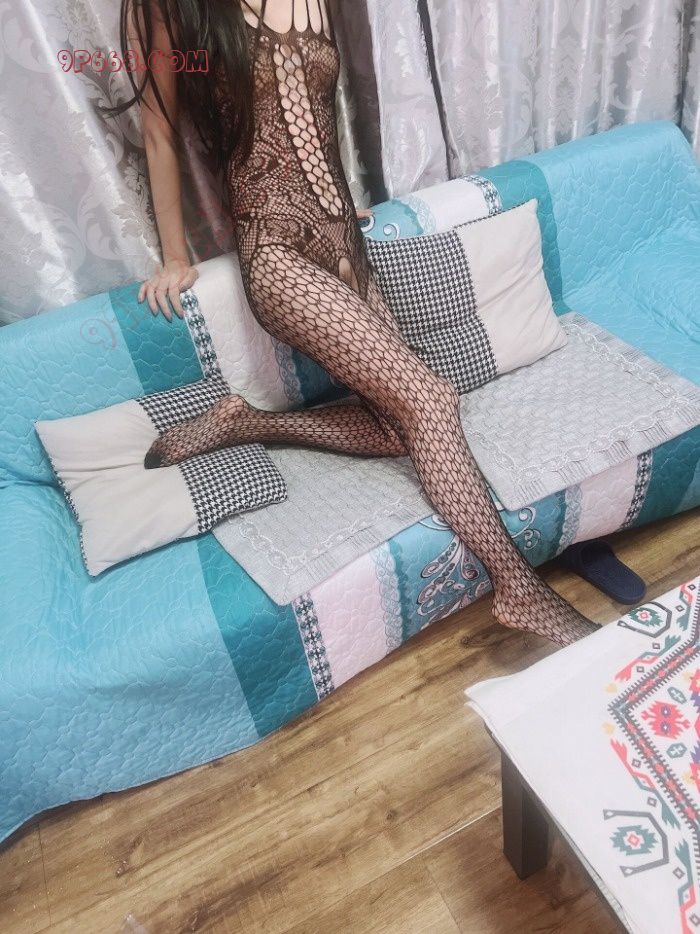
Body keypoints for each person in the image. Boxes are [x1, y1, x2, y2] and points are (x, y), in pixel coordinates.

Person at [116, 0, 598, 645]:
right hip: (277, 251)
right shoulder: (177, 9)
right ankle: (517, 587)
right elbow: (158, 130)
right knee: (431, 399)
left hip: (343, 236)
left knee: (400, 430)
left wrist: (336, 201)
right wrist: (175, 257)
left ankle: (247, 423)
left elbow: (313, 114)